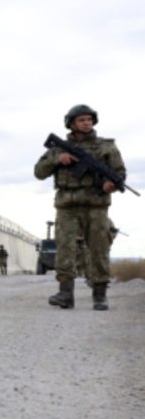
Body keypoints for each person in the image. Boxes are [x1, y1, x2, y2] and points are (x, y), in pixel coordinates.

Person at [33, 104, 127, 311]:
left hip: (96, 205)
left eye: (89, 119)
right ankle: (65, 294)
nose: (87, 123)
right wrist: (58, 160)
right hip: (67, 205)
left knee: (99, 250)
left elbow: (120, 173)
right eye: (82, 120)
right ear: (72, 123)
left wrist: (111, 184)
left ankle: (100, 295)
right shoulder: (59, 148)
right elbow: (39, 172)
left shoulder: (106, 147)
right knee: (65, 249)